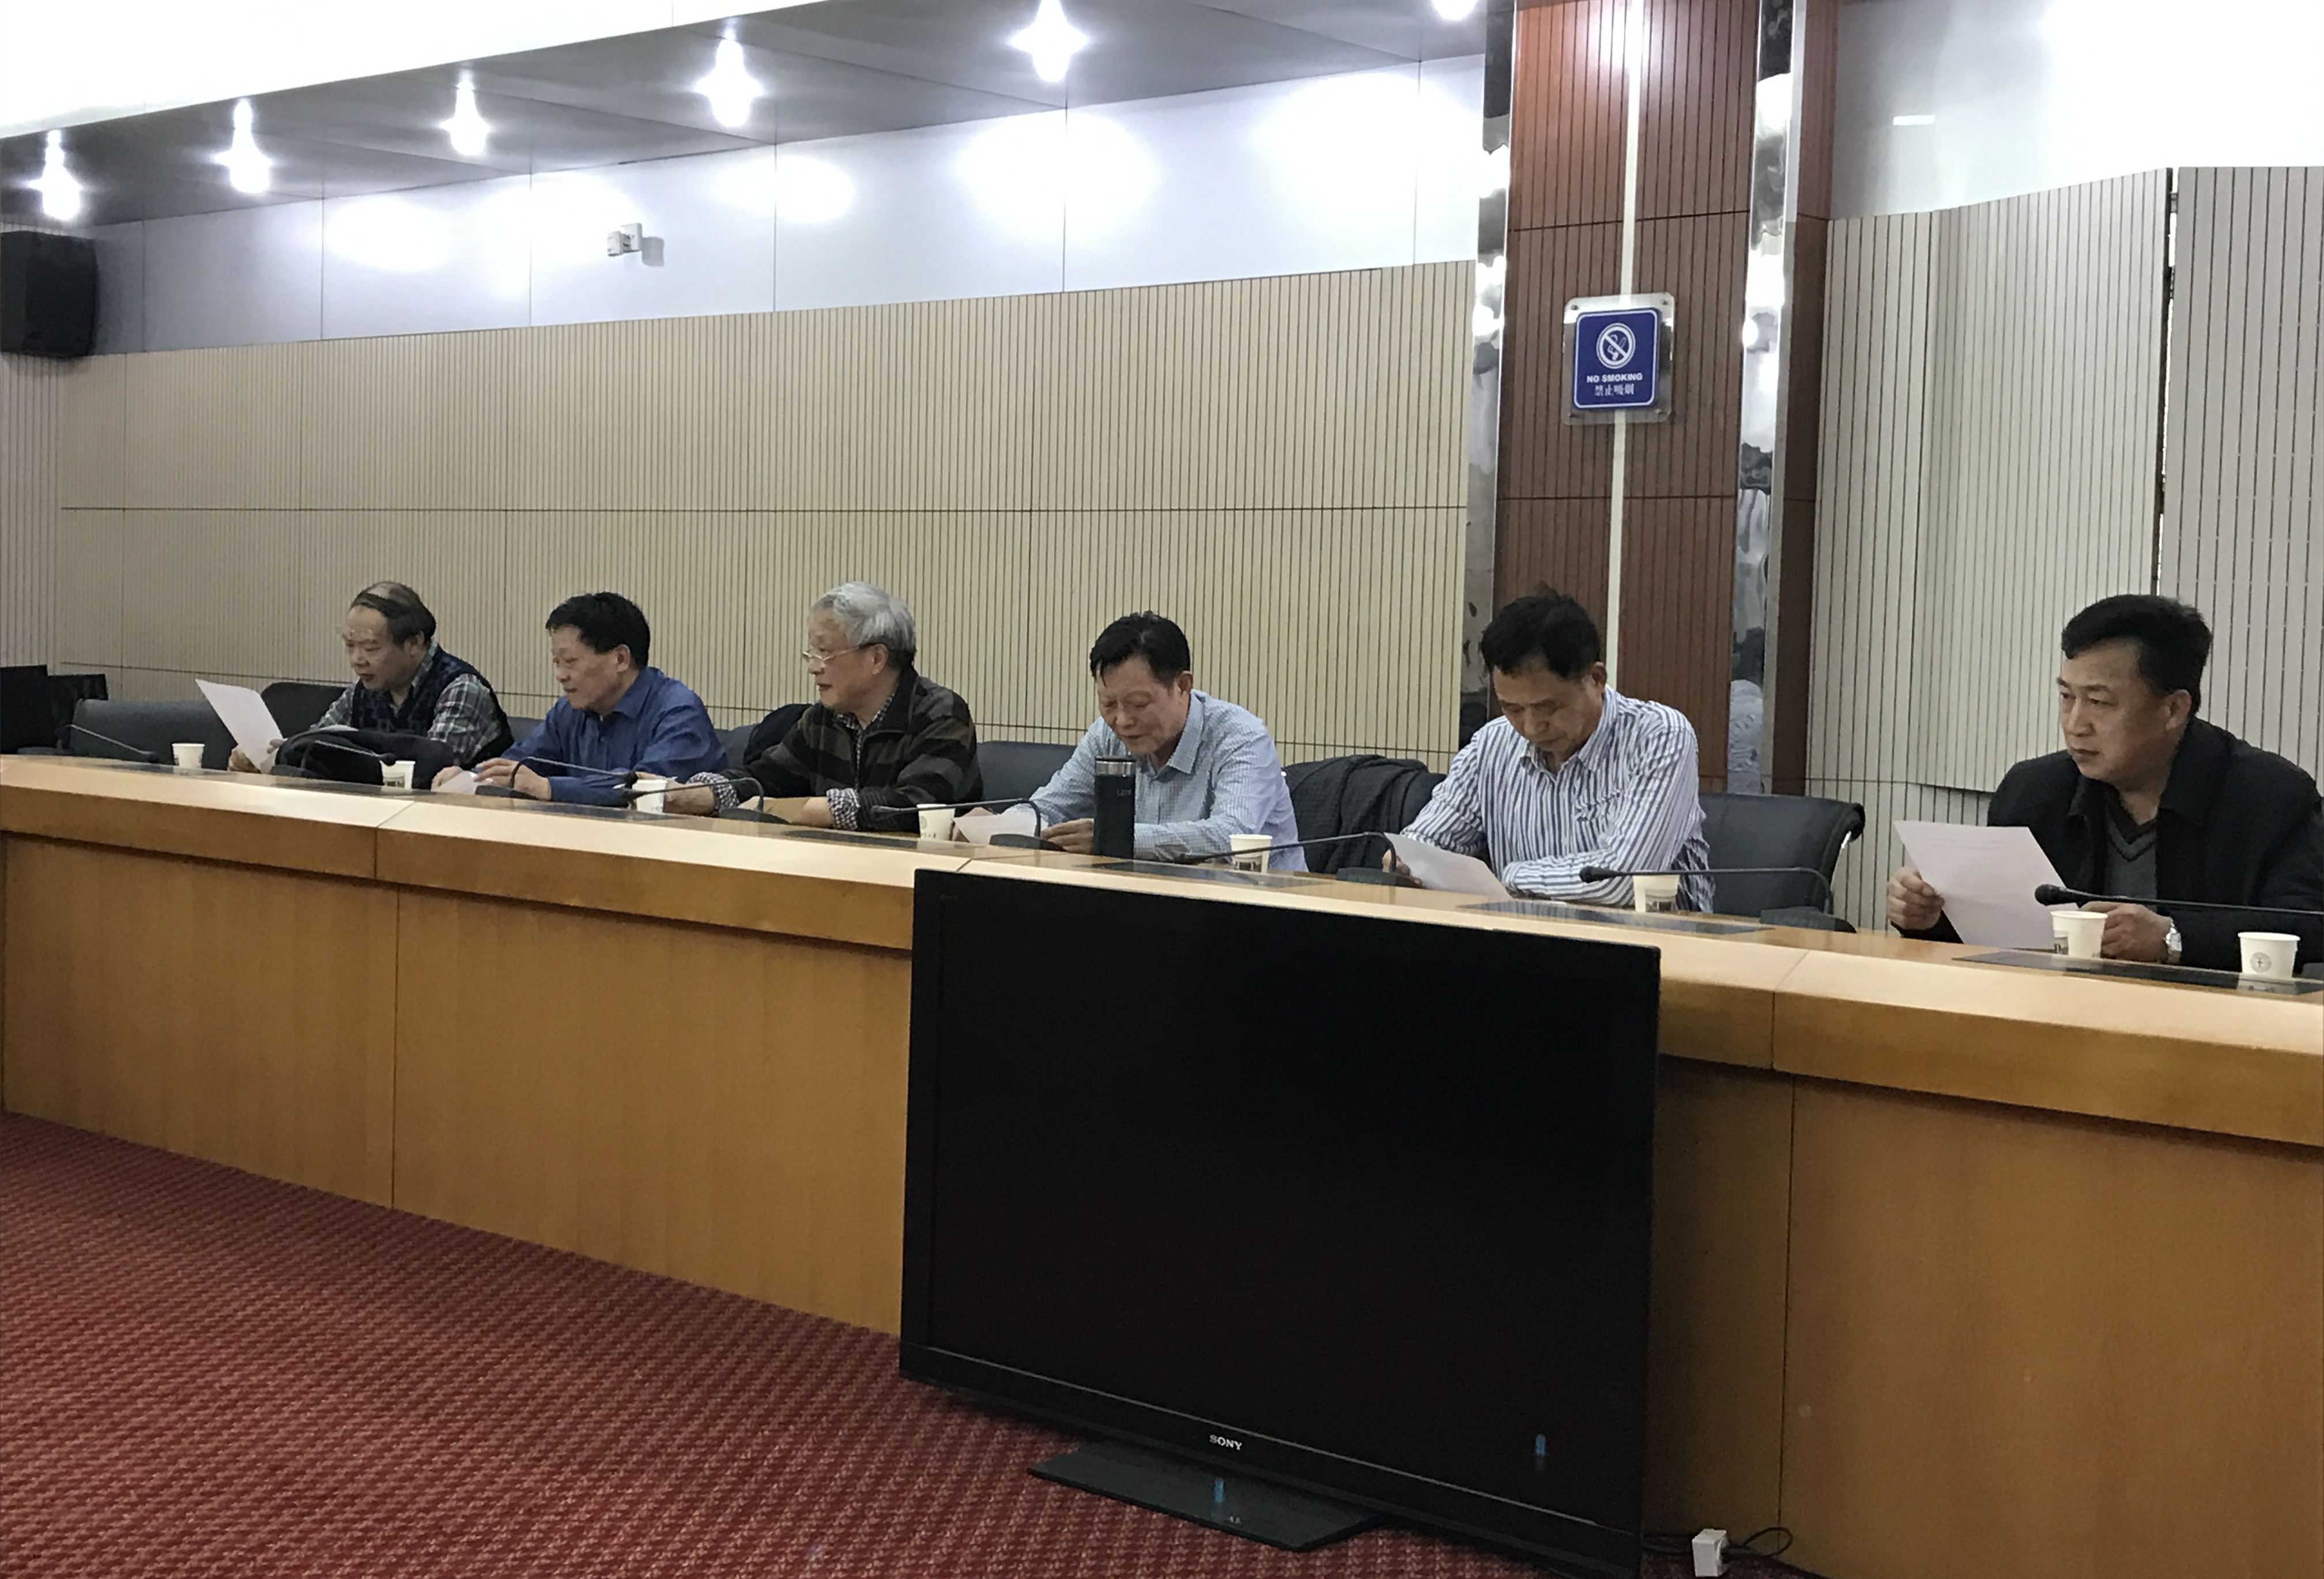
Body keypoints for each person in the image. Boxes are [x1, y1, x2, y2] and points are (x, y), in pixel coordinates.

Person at [1887, 595, 2323, 970]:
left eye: (2098, 701)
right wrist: (1928, 916)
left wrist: (2173, 939)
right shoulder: (2033, 792)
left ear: (2173, 709)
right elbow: (1998, 936)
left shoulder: (2270, 797)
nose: (2075, 724)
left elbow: (2310, 926)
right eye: (2066, 697)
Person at [1396, 590, 1711, 907]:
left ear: (1596, 679)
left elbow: (1621, 880)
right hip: (1521, 932)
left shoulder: (1658, 737)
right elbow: (1423, 845)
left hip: (1652, 933)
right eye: (1512, 709)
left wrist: (1511, 876)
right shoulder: (1491, 745)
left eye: (1548, 708)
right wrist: (1405, 862)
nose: (1531, 728)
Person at [663, 582, 981, 828]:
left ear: (876, 658)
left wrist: (819, 809)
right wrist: (701, 794)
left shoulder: (940, 713)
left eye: (825, 652)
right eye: (812, 653)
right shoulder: (824, 718)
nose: (814, 668)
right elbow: (767, 776)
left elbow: (917, 806)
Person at [1017, 612, 1303, 869]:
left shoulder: (1241, 736)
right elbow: (1048, 809)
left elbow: (1231, 835)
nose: (1122, 720)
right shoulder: (1107, 735)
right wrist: (1004, 825)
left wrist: (1115, 838)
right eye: (1108, 704)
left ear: (1182, 686)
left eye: (1139, 704)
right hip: (1149, 900)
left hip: (1258, 904)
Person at [446, 591, 725, 804]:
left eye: (570, 662)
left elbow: (646, 791)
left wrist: (548, 788)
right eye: (556, 662)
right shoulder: (569, 710)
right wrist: (469, 778)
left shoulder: (678, 711)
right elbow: (519, 765)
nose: (560, 676)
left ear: (620, 659)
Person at [229, 581, 511, 771]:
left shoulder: (461, 688)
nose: (357, 660)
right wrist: (267, 759)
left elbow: (430, 768)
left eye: (371, 648)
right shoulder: (364, 690)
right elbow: (316, 742)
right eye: (350, 646)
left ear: (414, 643)